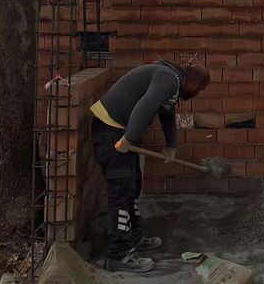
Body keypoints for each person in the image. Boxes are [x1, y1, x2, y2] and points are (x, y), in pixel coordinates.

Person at [90, 59, 210, 273]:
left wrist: (170, 146)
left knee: (133, 186)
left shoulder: (172, 81)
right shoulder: (169, 79)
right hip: (111, 129)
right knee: (121, 190)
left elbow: (167, 113)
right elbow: (145, 104)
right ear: (194, 83)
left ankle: (134, 238)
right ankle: (118, 254)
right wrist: (129, 137)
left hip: (121, 131)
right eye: (199, 90)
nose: (196, 94)